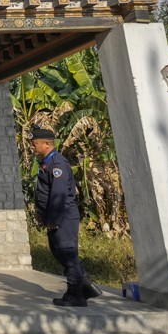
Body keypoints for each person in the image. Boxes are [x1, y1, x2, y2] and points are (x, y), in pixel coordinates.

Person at [30, 127, 101, 307]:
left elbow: (58, 195)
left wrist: (53, 220)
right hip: (57, 218)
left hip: (63, 218)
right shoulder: (47, 163)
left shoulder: (57, 164)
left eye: (35, 143)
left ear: (47, 144)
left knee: (68, 255)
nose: (32, 147)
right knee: (61, 254)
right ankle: (86, 286)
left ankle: (75, 295)